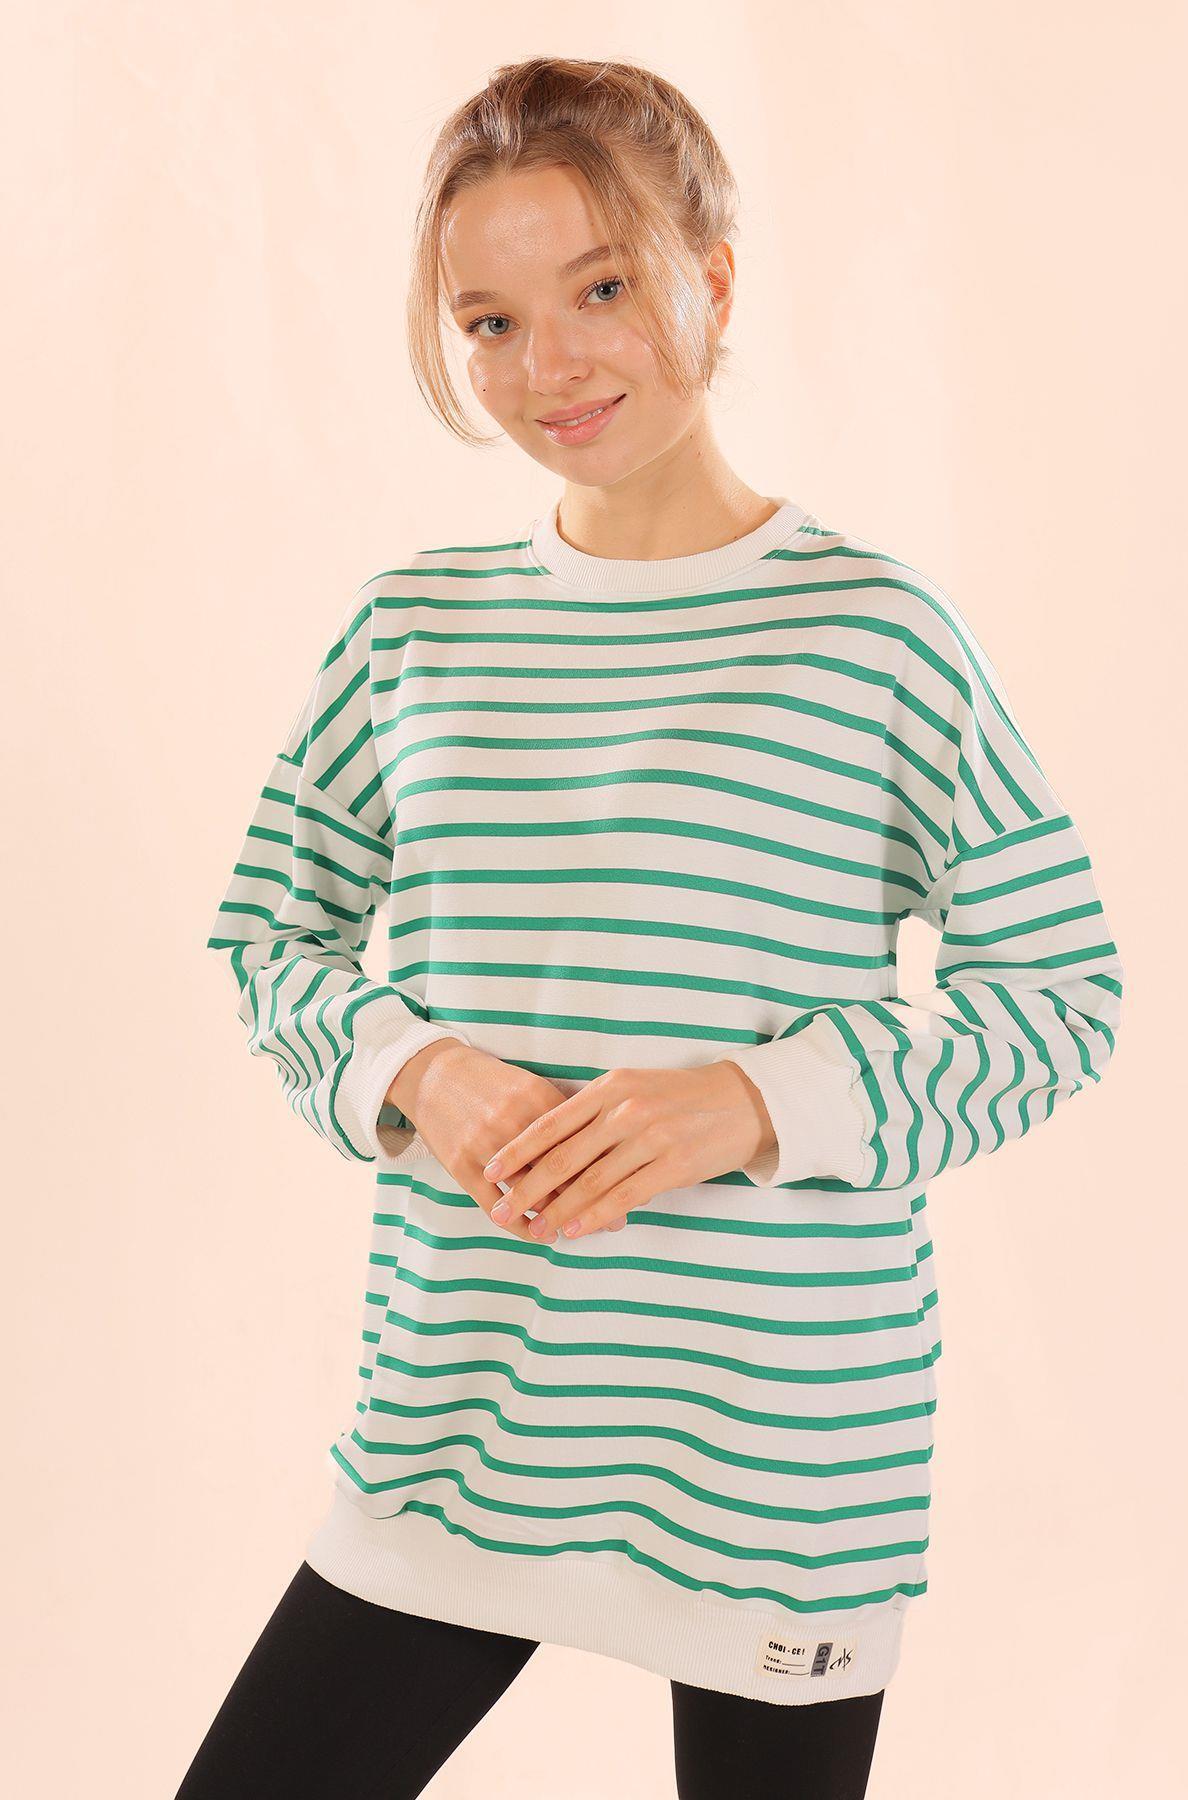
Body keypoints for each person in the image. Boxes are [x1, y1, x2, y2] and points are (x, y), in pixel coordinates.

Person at [182, 54, 1124, 1800]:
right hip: (460, 1418)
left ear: (715, 276)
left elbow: (1060, 995)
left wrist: (760, 1099)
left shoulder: (875, 635)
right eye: (490, 321)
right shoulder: (411, 630)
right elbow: (269, 935)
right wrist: (415, 1068)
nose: (548, 365)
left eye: (602, 289)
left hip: (778, 1463)